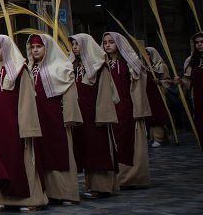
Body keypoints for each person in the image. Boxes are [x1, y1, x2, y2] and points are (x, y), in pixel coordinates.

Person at [0, 36, 46, 211]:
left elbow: (27, 99)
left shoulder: (19, 70)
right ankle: (6, 199)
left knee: (21, 161)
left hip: (16, 124)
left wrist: (26, 125)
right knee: (1, 162)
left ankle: (30, 200)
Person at [26, 34, 82, 205]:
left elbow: (70, 93)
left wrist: (70, 116)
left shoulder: (61, 67)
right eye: (33, 47)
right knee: (42, 153)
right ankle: (46, 192)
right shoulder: (29, 68)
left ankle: (66, 193)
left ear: (47, 48)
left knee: (59, 152)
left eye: (39, 47)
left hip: (55, 117)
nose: (35, 50)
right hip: (36, 118)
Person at [68, 34, 119, 198]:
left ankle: (102, 186)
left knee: (98, 147)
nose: (75, 47)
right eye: (73, 44)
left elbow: (104, 92)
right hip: (80, 114)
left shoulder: (99, 67)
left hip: (95, 115)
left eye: (78, 44)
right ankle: (91, 186)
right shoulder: (74, 66)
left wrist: (103, 115)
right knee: (85, 148)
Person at [101, 32, 150, 188]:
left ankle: (129, 177)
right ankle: (115, 177)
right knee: (113, 141)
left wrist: (138, 109)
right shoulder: (104, 65)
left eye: (111, 42)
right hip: (111, 108)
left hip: (127, 107)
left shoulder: (130, 64)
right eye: (105, 42)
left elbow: (137, 87)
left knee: (126, 141)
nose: (107, 45)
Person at [143, 47, 170, 147]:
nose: (147, 56)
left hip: (158, 95)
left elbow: (167, 81)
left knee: (158, 115)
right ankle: (154, 137)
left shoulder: (161, 66)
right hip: (148, 95)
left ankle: (159, 138)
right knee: (150, 116)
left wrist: (160, 82)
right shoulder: (145, 67)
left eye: (148, 54)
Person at [181, 32, 203, 145]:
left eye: (202, 42)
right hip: (198, 97)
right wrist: (180, 82)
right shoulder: (191, 61)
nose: (199, 44)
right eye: (197, 42)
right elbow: (187, 80)